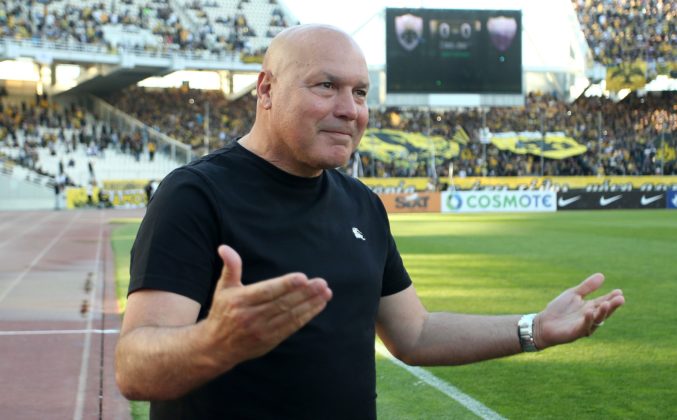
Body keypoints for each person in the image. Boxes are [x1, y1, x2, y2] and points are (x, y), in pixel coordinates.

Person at [115, 24, 625, 419]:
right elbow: (134, 369)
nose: (350, 110)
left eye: (360, 92)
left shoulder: (361, 204)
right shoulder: (196, 195)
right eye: (326, 86)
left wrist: (533, 328)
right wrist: (215, 341)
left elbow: (415, 334)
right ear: (266, 89)